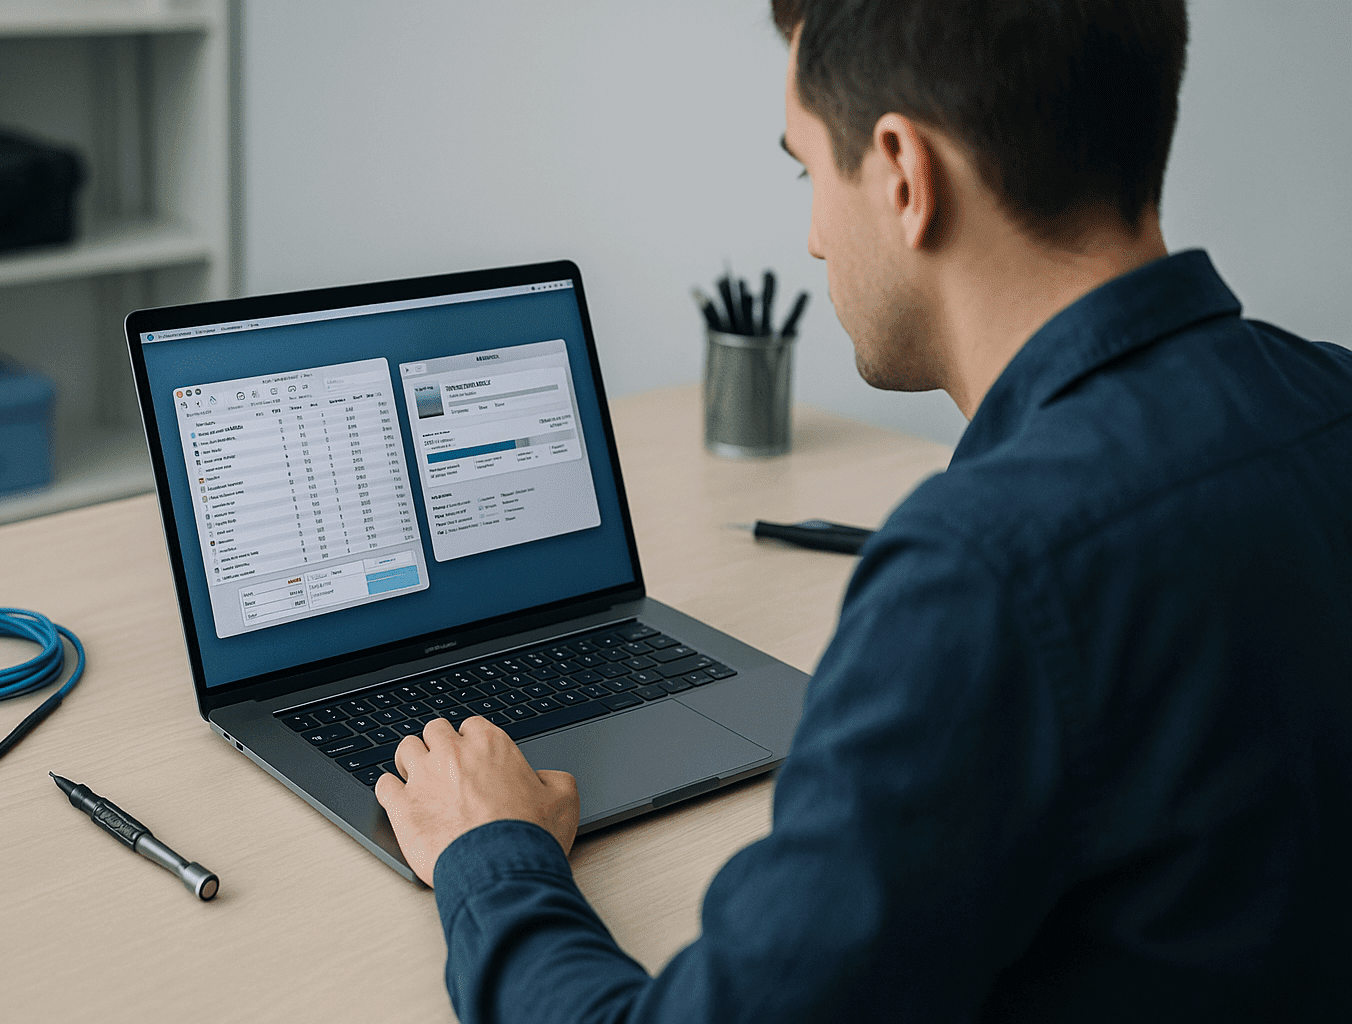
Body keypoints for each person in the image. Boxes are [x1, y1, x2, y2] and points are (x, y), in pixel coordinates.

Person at [375, 1, 1352, 1020]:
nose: (810, 238)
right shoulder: (1334, 400)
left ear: (901, 173)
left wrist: (489, 852)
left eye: (809, 170)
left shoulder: (988, 573)